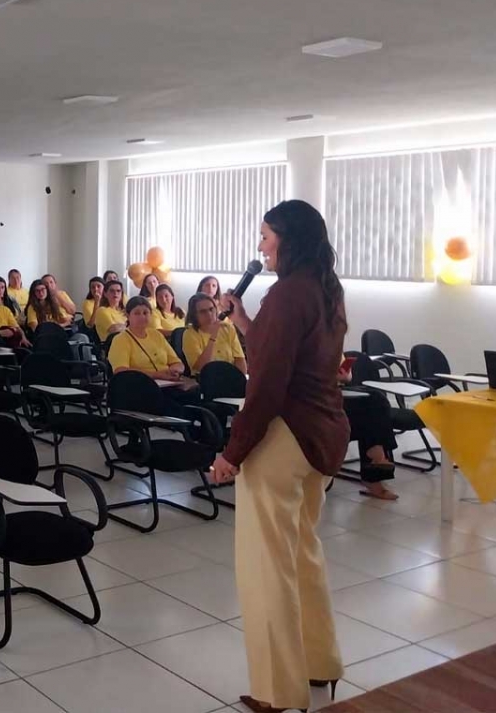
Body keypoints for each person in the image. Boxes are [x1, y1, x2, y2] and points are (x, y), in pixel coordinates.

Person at [208, 201, 348, 713]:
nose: (260, 245)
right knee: (303, 553)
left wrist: (233, 452)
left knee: (267, 566)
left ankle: (277, 691)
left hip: (283, 438)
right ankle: (319, 663)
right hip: (318, 435)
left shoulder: (287, 294)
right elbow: (286, 354)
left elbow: (266, 386)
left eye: (266, 235)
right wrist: (245, 321)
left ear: (288, 238)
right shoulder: (324, 288)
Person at [108, 296, 184, 380]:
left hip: (167, 381)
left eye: (145, 313)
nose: (142, 317)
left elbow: (177, 363)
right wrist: (157, 375)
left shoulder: (157, 335)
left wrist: (174, 371)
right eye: (137, 313)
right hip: (141, 383)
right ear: (128, 316)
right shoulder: (120, 339)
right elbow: (121, 371)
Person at [183, 293, 247, 375]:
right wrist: (213, 336)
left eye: (211, 309)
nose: (209, 314)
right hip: (205, 378)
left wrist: (240, 379)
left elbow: (240, 360)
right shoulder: (189, 334)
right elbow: (200, 367)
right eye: (203, 312)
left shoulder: (228, 328)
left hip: (229, 377)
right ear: (194, 315)